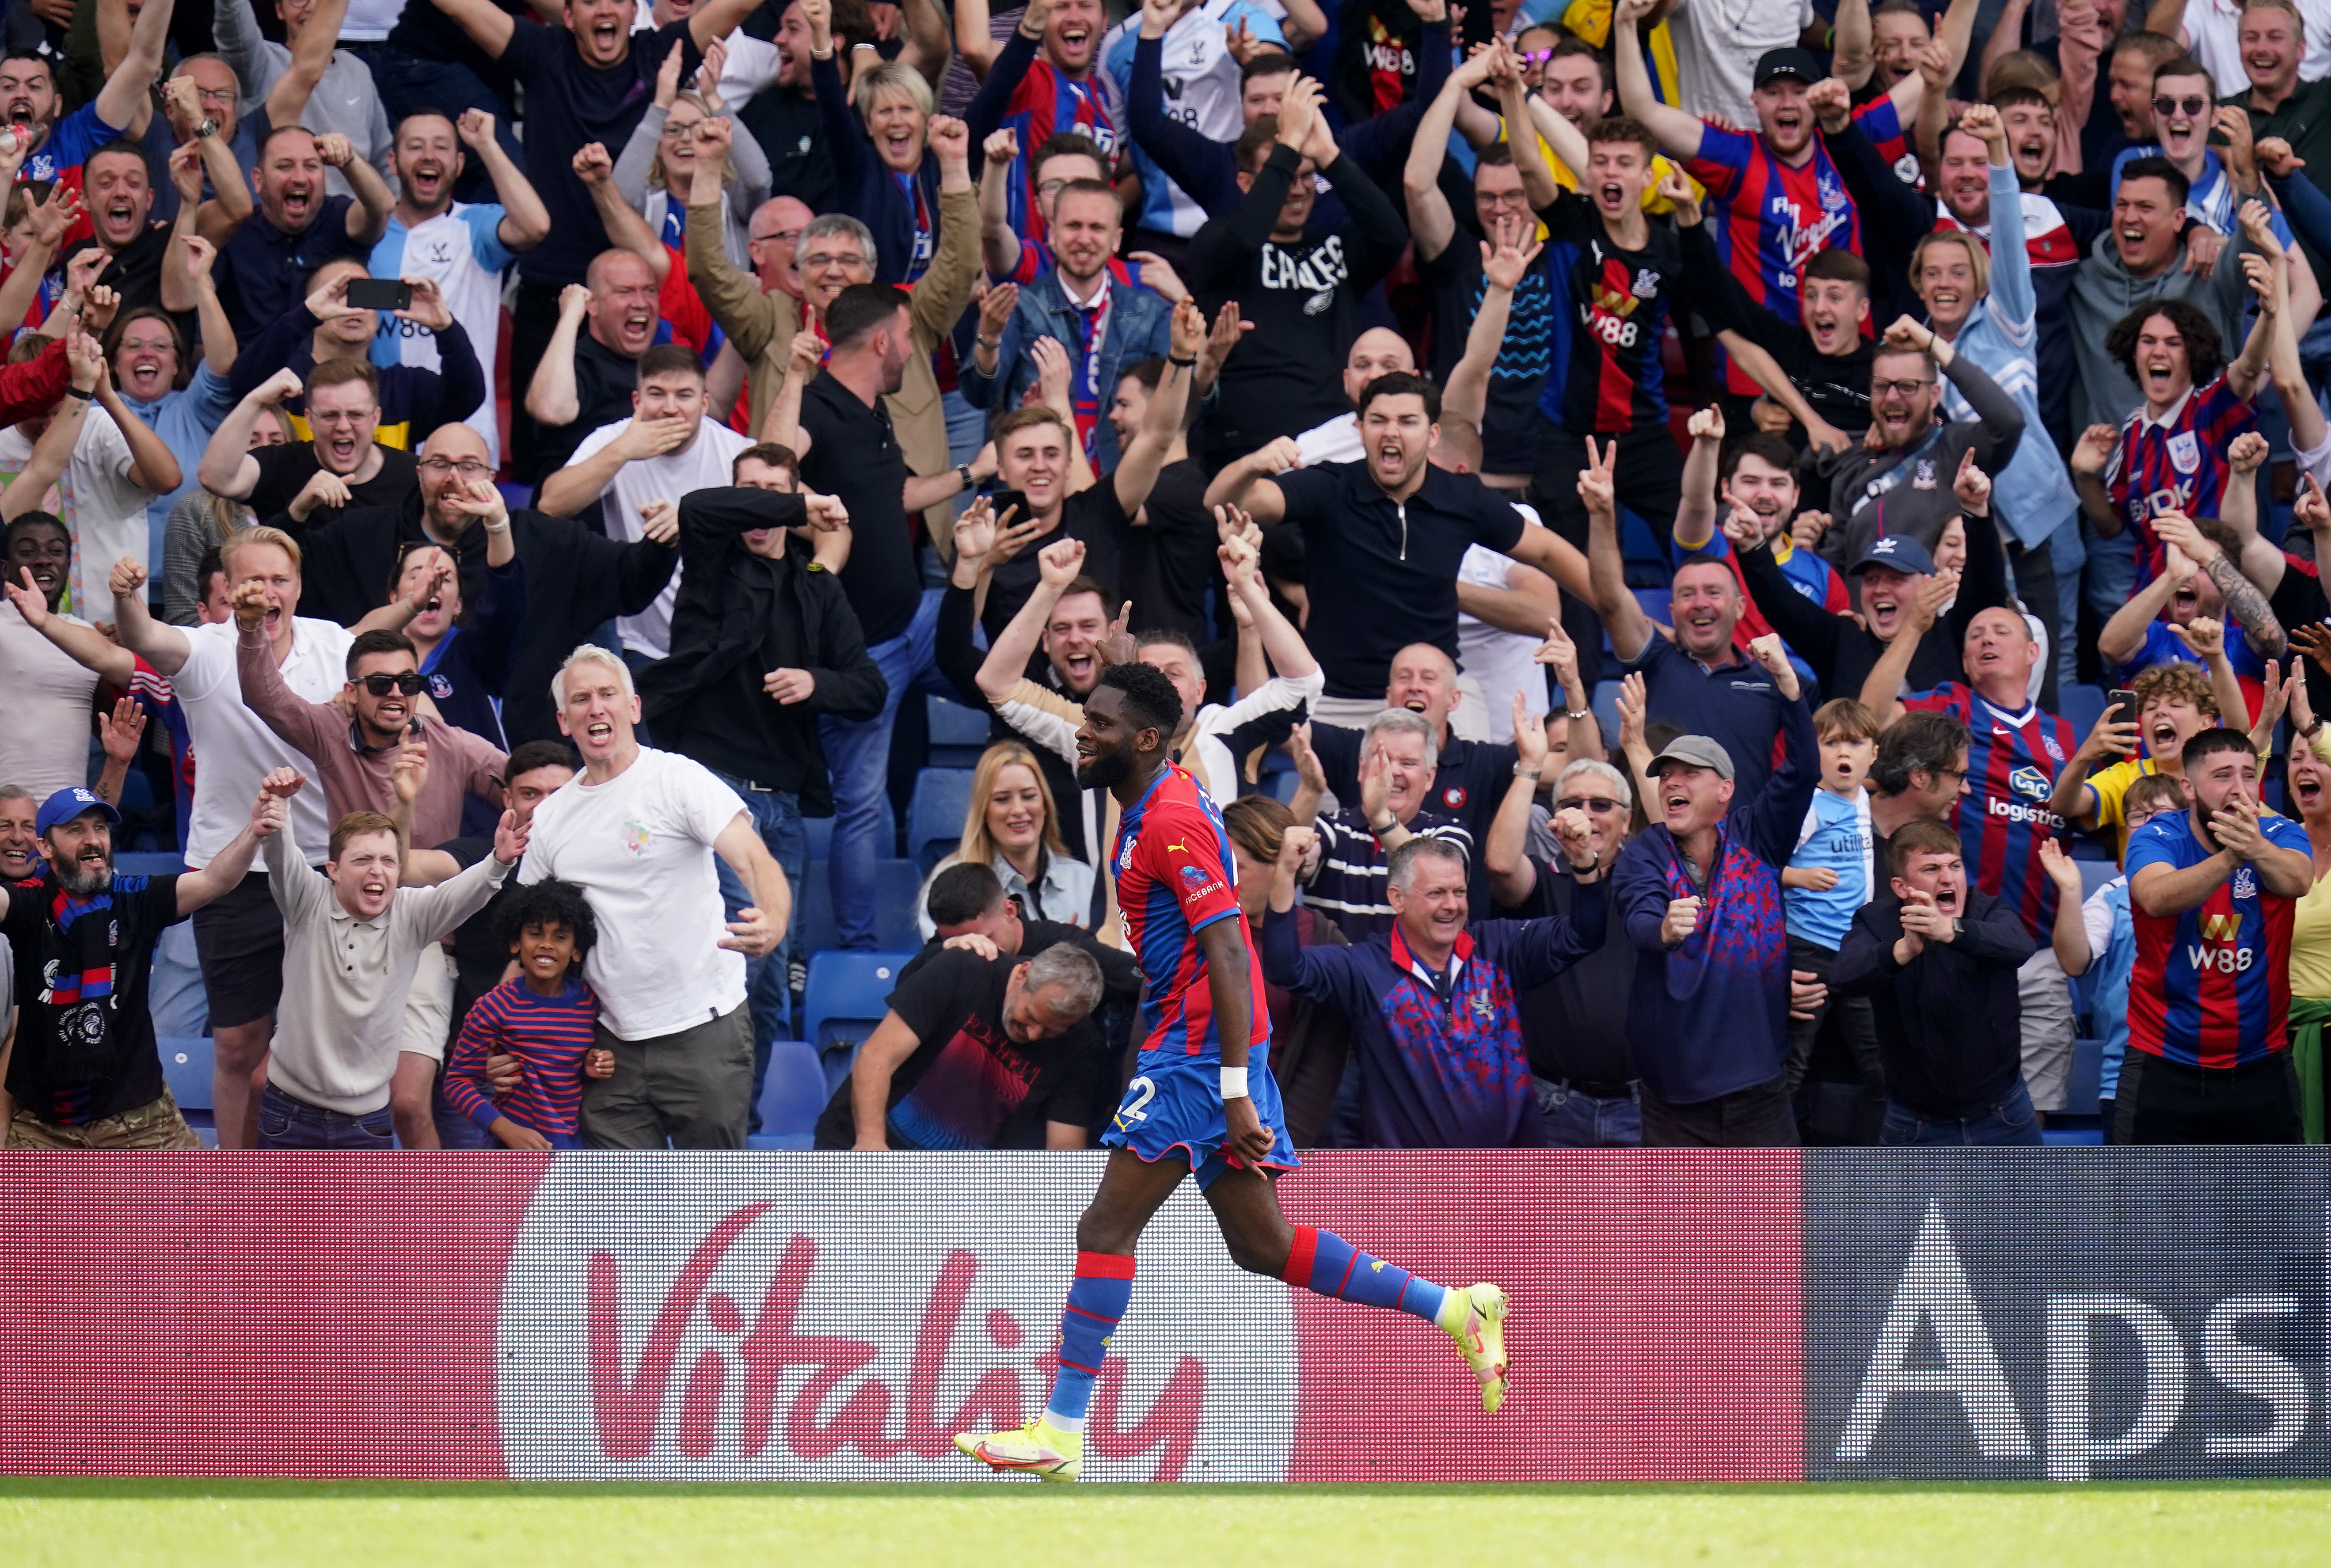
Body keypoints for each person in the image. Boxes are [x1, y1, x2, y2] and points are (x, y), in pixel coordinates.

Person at [953, 660, 1513, 1483]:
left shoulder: (1174, 817)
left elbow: (1226, 946)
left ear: (1145, 739)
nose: (1084, 732)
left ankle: (1062, 1430)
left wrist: (1235, 1084)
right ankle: (1457, 1306)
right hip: (1199, 1049)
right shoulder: (1148, 802)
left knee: (1105, 1229)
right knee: (1264, 1245)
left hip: (1196, 1054)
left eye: (1101, 724)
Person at [424, 0, 762, 476]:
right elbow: (465, 10)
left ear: (633, 12)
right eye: (589, 0)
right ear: (568, 16)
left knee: (649, 451)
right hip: (550, 292)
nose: (605, 8)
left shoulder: (659, 53)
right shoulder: (543, 51)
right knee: (538, 451)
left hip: (638, 297)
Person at [642, 463, 881, 1066]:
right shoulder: (712, 564)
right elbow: (699, 508)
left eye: (772, 491)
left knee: (770, 983)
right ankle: (713, 1137)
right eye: (749, 491)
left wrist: (814, 682)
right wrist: (798, 505)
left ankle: (741, 1136)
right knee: (740, 964)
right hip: (714, 793)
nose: (758, 507)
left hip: (783, 808)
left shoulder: (817, 585)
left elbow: (868, 688)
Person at [517, 645, 791, 1150]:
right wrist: (514, 1034)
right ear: (564, 720)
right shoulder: (551, 818)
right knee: (628, 1217)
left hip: (704, 1029)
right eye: (581, 699)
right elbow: (535, 942)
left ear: (634, 708)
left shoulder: (678, 778)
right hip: (606, 1044)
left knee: (712, 1207)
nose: (596, 708)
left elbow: (754, 858)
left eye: (608, 694)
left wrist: (773, 919)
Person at [278, 422, 681, 746]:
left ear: (491, 476)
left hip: (523, 756)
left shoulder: (542, 541)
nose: (454, 478)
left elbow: (629, 581)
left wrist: (665, 538)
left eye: (469, 466)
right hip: (378, 754)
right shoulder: (365, 534)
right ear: (418, 473)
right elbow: (282, 581)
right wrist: (296, 511)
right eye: (440, 464)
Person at [1205, 373, 1581, 719]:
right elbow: (1223, 503)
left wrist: (1614, 607)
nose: (1392, 432)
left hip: (1438, 701)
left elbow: (1548, 552)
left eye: (1407, 421)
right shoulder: (1329, 486)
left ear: (1432, 434)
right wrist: (1250, 466)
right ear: (1360, 428)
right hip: (1339, 702)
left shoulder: (1461, 497)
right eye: (1379, 420)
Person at [1262, 801, 1610, 1148]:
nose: (1452, 905)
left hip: (1509, 1178)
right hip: (1410, 1184)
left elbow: (1584, 934)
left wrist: (1583, 862)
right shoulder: (1366, 968)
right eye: (1436, 894)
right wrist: (1283, 877)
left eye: (1459, 892)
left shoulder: (1500, 950)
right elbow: (1286, 968)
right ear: (1397, 899)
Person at [1614, 636, 1818, 1146]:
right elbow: (1639, 919)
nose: (1671, 783)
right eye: (1665, 775)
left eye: (1688, 774)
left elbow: (1801, 773)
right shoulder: (1644, 851)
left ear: (1725, 789)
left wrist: (1789, 691)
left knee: (1770, 1225)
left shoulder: (1759, 837)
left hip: (1761, 1084)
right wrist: (1663, 927)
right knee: (1680, 1229)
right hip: (1673, 1093)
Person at [255, 768, 521, 1148]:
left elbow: (460, 894)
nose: (378, 870)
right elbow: (282, 860)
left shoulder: (411, 912)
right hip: (289, 1112)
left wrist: (498, 863)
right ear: (333, 871)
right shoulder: (307, 902)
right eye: (363, 860)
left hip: (367, 1122)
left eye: (388, 861)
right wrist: (278, 807)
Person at [0, 781, 274, 1148]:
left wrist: (254, 832)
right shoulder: (29, 904)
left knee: (205, 1205)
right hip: (43, 1122)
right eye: (75, 830)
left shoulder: (136, 897)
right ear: (45, 847)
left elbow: (214, 880)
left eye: (100, 828)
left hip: (139, 1119)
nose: (93, 840)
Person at [1182, 76, 1408, 466]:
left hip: (1337, 440)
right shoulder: (1215, 241)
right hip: (1248, 442)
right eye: (1286, 175)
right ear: (1245, 183)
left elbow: (1390, 236)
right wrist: (1286, 147)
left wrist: (1330, 157)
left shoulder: (1334, 242)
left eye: (1307, 176)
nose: (1298, 189)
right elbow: (1246, 240)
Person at [2119, 725, 2316, 1141]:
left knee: (2276, 1208)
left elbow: (2298, 880)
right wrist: (2231, 858)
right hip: (2162, 1061)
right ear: (2188, 788)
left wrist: (2255, 849)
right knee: (2145, 1208)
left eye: (2248, 775)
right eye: (2223, 775)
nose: (2239, 789)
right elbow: (2154, 897)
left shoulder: (2281, 834)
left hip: (2261, 1064)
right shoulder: (2156, 836)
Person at [1583, 437, 1791, 802]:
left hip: (1744, 853)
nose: (1699, 604)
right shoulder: (1656, 661)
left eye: (1713, 592)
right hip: (1662, 848)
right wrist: (1602, 515)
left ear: (1740, 607)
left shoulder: (1771, 681)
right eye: (1686, 595)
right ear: (1671, 611)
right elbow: (1611, 600)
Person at [539, 345, 756, 670]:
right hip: (640, 648)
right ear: (637, 401)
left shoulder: (735, 451)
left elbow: (793, 505)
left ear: (704, 403)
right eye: (657, 394)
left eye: (684, 395)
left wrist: (820, 564)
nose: (671, 409)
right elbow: (551, 504)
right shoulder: (614, 440)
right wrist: (623, 451)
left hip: (723, 643)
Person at [1833, 818, 2044, 1145]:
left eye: (1955, 866)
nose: (1948, 877)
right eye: (1931, 869)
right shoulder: (1876, 921)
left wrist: (1953, 932)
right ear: (1901, 887)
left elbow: (2020, 945)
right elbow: (1844, 976)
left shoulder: (1986, 909)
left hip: (2002, 1111)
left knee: (2025, 1200)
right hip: (1914, 1120)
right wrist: (1902, 951)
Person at [368, 108, 549, 470]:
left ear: (459, 162)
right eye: (415, 146)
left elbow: (536, 226)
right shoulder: (367, 231)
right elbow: (361, 309)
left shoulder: (476, 226)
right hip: (384, 429)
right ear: (392, 160)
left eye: (441, 147)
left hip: (465, 432)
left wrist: (487, 144)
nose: (429, 156)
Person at [960, 175, 1174, 473]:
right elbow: (978, 395)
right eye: (1073, 226)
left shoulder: (1151, 313)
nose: (1084, 239)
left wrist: (1206, 358)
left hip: (1122, 488)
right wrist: (989, 339)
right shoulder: (1019, 306)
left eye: (1096, 228)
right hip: (1038, 486)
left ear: (1116, 240)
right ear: (1052, 234)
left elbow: (1185, 409)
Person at [815, 939, 1110, 1151]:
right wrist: (870, 1142)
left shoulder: (1080, 1044)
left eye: (1050, 1032)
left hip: (959, 1188)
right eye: (1030, 1017)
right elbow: (876, 1056)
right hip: (854, 1144)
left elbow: (1065, 1145)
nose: (1033, 1035)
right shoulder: (963, 970)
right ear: (1023, 974)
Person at [0, 330, 181, 615]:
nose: (50, 424)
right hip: (15, 632)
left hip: (107, 631)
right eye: (38, 412)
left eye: (58, 411)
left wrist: (108, 398)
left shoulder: (98, 426)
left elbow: (168, 480)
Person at [2049, 771, 2186, 1137]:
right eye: (2138, 817)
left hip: (2201, 1068)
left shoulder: (2208, 881)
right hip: (2128, 1074)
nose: (2147, 825)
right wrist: (2070, 891)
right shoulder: (2111, 894)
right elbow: (2074, 961)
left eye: (2160, 815)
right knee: (2134, 1194)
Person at [228, 261, 487, 449]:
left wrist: (446, 329)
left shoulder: (403, 388)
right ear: (313, 305)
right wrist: (303, 318)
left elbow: (468, 397)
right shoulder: (284, 379)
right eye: (340, 295)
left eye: (366, 295)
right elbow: (242, 382)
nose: (356, 307)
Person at [441, 878, 616, 1151]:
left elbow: (561, 1069)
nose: (546, 945)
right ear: (515, 944)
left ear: (577, 950)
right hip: (508, 1152)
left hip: (568, 1149)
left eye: (560, 937)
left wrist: (589, 1067)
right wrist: (506, 1129)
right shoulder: (492, 1007)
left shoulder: (588, 1002)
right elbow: (457, 1082)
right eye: (535, 934)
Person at [1779, 697, 1886, 1142]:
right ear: (1813, 749)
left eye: (1856, 743)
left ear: (1873, 753)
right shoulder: (1807, 805)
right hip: (1809, 948)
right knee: (1792, 1066)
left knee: (1879, 1067)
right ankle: (1771, 1168)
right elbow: (1757, 867)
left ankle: (1873, 1168)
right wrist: (1798, 875)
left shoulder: (1865, 798)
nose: (1845, 753)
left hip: (1855, 951)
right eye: (1832, 742)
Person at [1296, 707, 1475, 941]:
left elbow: (1432, 873)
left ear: (1429, 777)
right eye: (1383, 759)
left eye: (1408, 763)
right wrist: (1310, 791)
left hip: (1417, 977)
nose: (1393, 772)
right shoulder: (1333, 829)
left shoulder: (1450, 834)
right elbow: (1291, 861)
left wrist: (1380, 817)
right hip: (1340, 976)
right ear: (1361, 769)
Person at [197, 362, 420, 536]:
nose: (343, 427)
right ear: (310, 420)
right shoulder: (282, 464)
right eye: (330, 415)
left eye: (356, 415)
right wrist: (255, 401)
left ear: (376, 418)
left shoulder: (412, 474)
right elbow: (215, 479)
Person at [219, 126, 397, 343]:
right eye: (285, 167)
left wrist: (349, 161)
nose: (300, 178)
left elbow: (382, 206)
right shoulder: (236, 231)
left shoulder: (338, 218)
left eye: (311, 167)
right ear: (258, 180)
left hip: (333, 372)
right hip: (258, 372)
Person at [214, 0, 392, 201]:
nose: (310, 7)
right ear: (279, 9)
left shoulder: (358, 70)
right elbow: (232, 26)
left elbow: (383, 158)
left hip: (352, 219)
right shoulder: (260, 62)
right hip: (284, 212)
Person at [916, 740, 1096, 938]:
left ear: (1045, 805)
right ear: (983, 812)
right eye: (1002, 799)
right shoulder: (950, 882)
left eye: (1029, 796)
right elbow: (944, 963)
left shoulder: (1084, 880)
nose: (1019, 810)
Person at [0, 515, 102, 799]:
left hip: (65, 817)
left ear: (68, 567)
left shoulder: (87, 636)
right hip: (6, 821)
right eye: (28, 551)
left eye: (55, 551)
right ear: (5, 569)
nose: (44, 560)